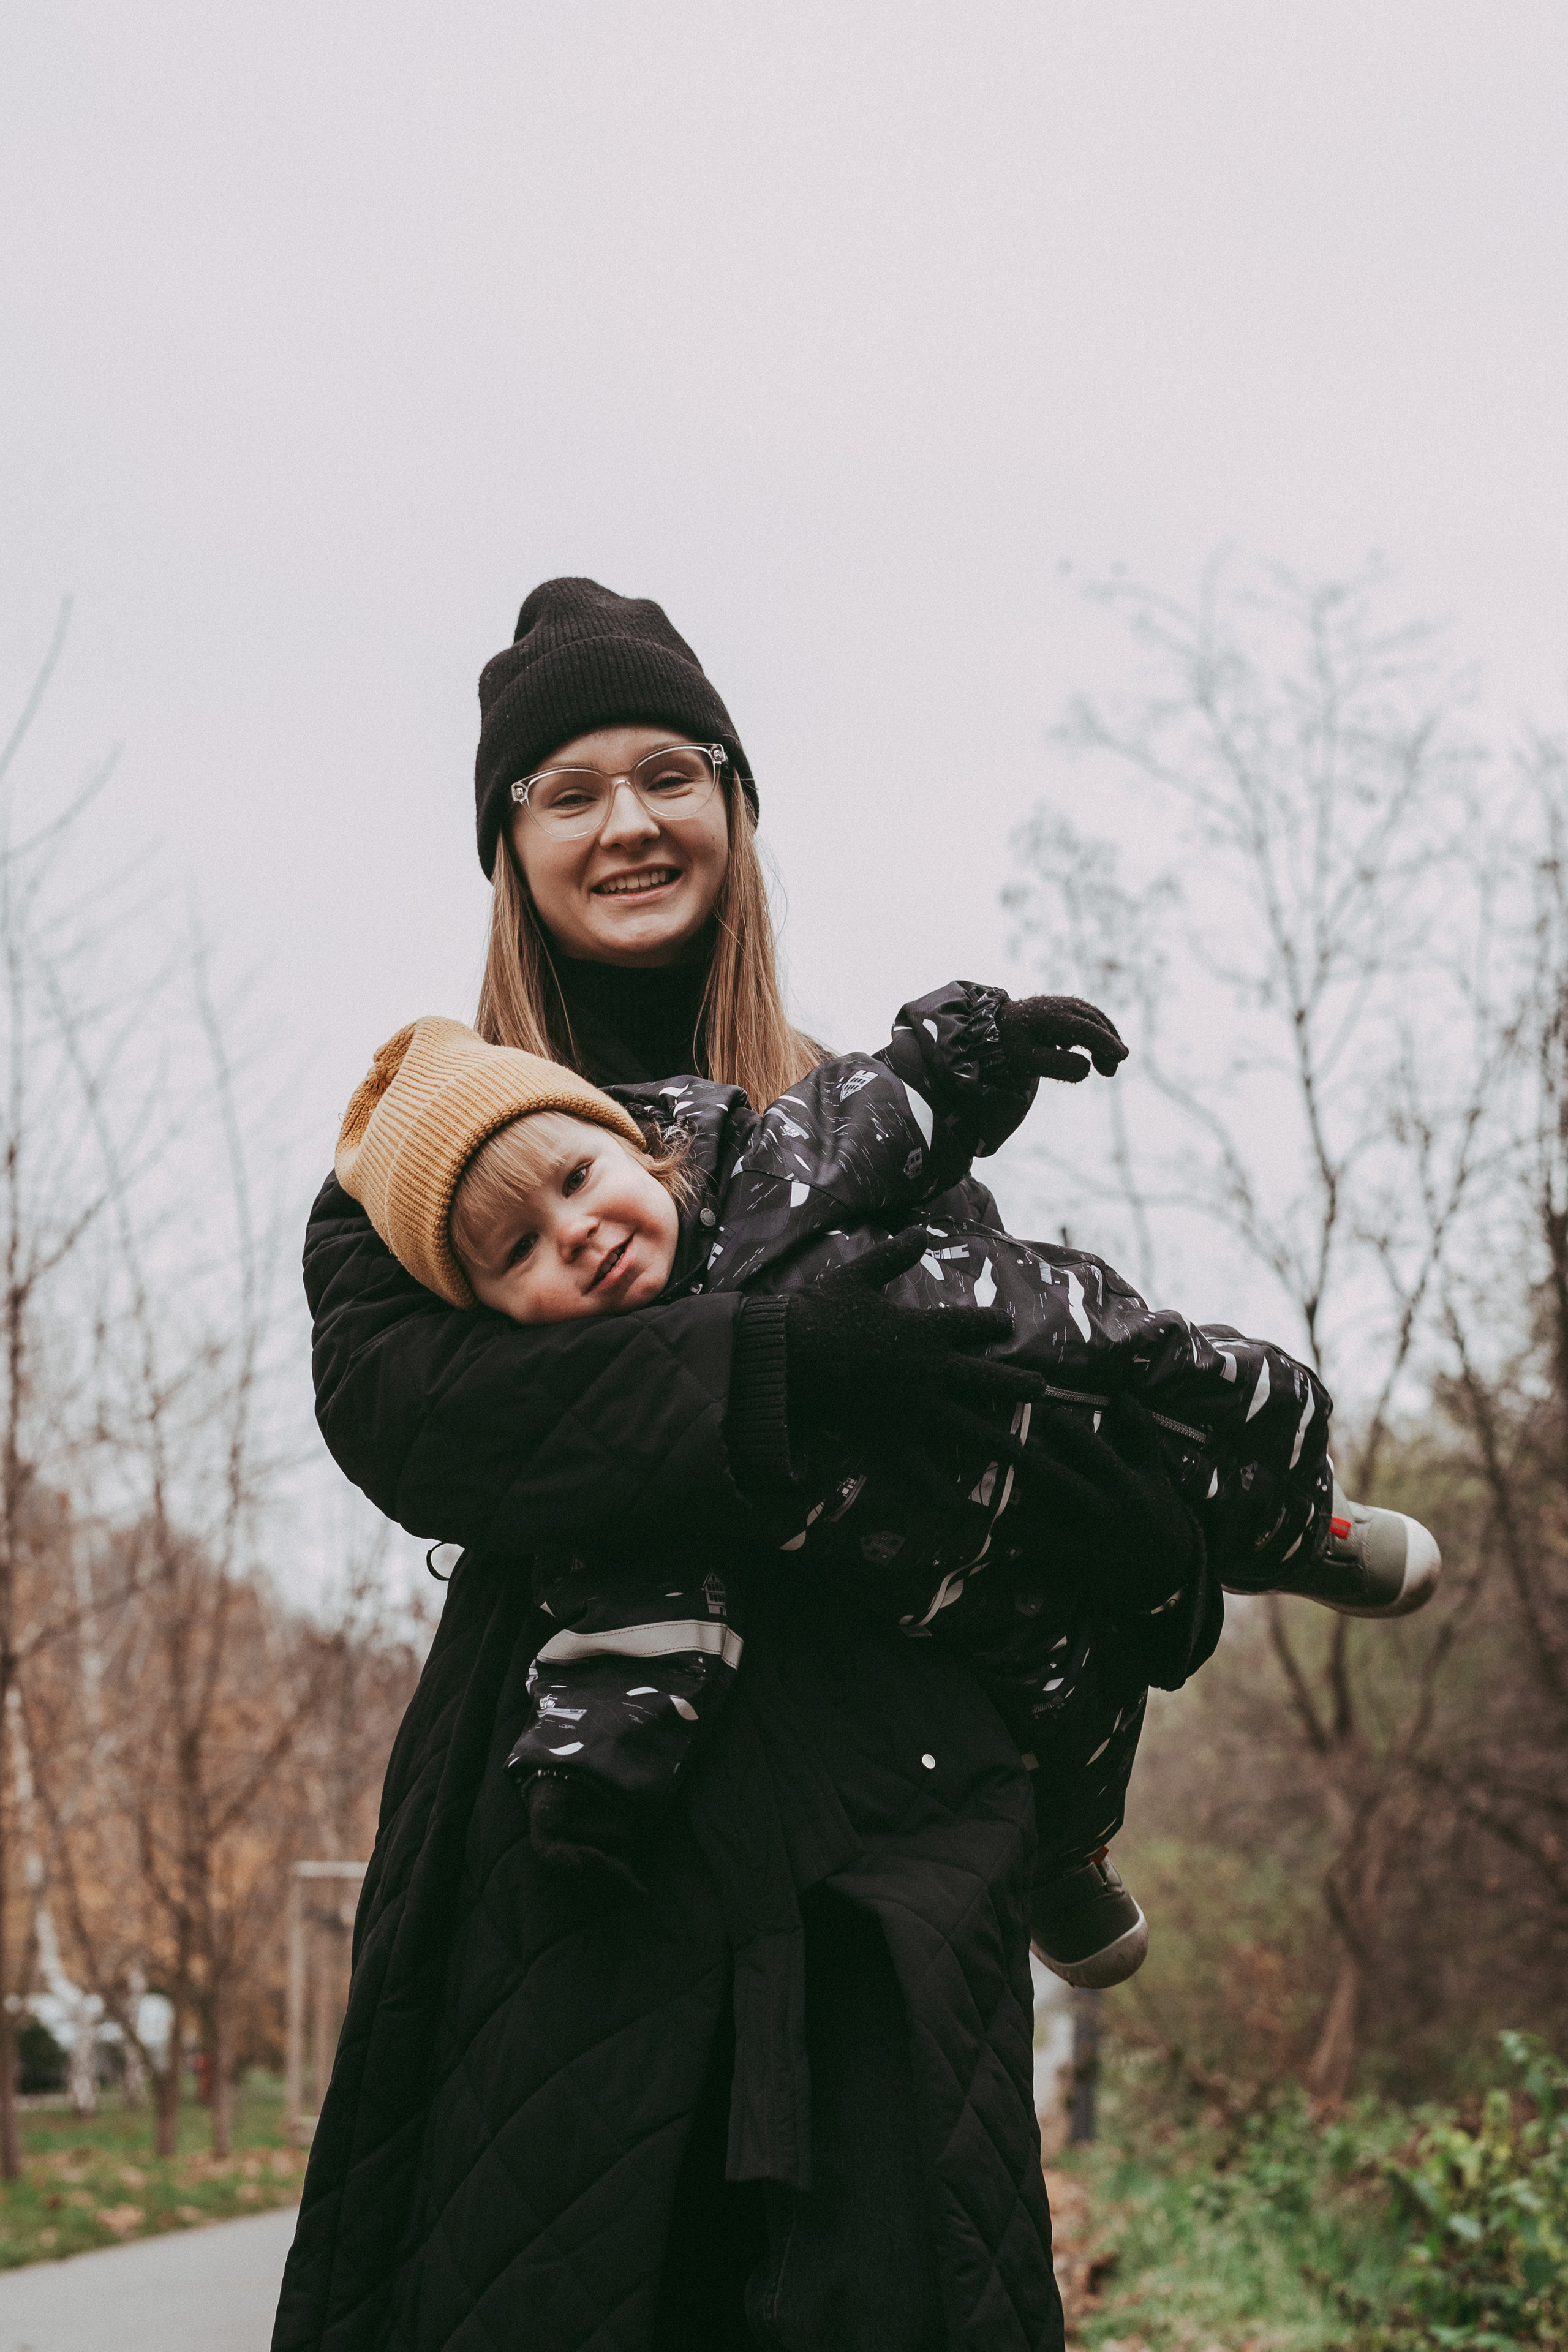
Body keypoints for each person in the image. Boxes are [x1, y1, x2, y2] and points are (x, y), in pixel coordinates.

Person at [273, 578, 1219, 2352]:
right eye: (567, 790)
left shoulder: (882, 1138)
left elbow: (1016, 1383)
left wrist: (1132, 1525)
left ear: (735, 809)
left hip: (887, 1850)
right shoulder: (417, 1171)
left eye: (670, 771)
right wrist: (777, 1364)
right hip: (569, 1860)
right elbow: (422, 1418)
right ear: (510, 844)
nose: (627, 821)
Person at [328, 986, 1440, 1987]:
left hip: (1073, 1352)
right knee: (1066, 1703)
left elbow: (893, 1100)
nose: (576, 1234)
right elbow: (642, 1618)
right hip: (970, 1585)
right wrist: (589, 1779)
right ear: (497, 1316)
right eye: (518, 1250)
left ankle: (1304, 1532)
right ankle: (1068, 1859)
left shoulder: (775, 1165)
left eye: (578, 1179)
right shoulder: (646, 1457)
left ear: (641, 1146)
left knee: (1224, 1402)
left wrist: (982, 1046)